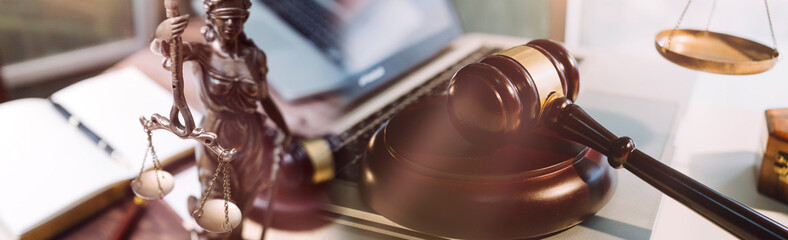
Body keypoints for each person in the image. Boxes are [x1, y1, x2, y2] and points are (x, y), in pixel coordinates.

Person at [151, 0, 291, 239]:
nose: (230, 23)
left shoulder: (254, 56)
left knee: (243, 204)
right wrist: (161, 34)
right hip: (214, 136)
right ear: (211, 19)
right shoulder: (201, 53)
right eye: (224, 17)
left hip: (250, 138)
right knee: (218, 207)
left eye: (236, 18)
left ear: (244, 19)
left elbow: (265, 98)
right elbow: (165, 51)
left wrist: (283, 128)